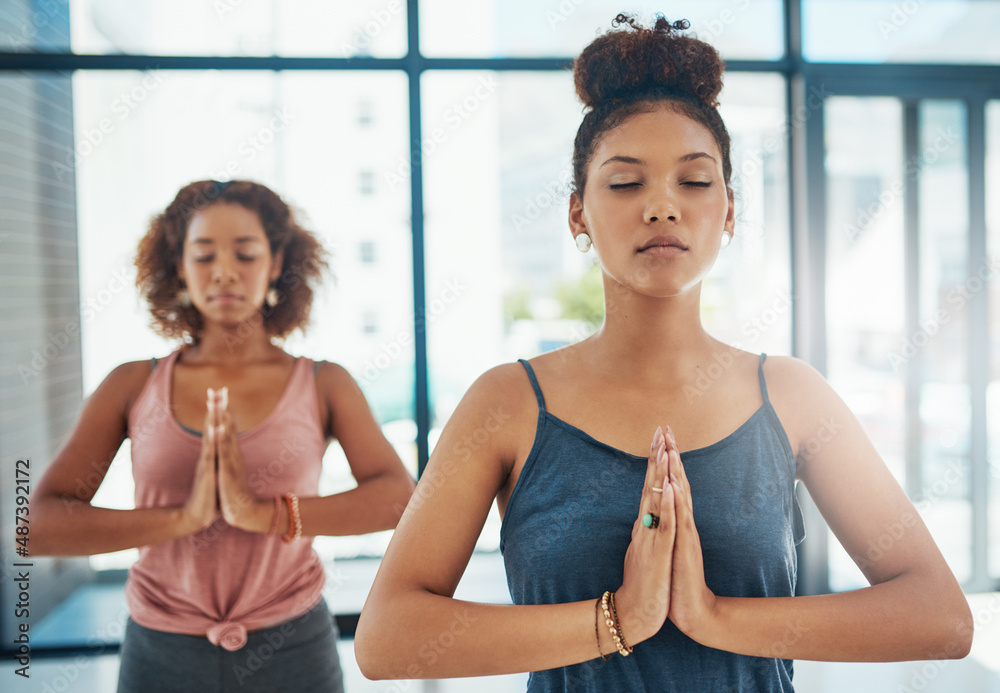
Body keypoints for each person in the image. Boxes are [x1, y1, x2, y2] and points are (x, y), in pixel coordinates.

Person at [354, 14, 972, 692]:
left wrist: (711, 615)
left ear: (730, 211)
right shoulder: (506, 402)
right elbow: (387, 638)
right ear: (577, 215)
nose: (662, 207)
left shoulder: (791, 395)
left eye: (695, 181)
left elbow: (939, 615)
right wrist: (617, 617)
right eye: (625, 184)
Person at [32, 179, 416, 693]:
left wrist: (264, 514)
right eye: (204, 254)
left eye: (246, 253)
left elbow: (398, 499)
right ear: (180, 268)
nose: (225, 272)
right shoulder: (131, 383)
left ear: (276, 263)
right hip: (160, 651)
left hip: (293, 647)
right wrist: (182, 519)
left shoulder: (325, 382)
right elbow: (36, 525)